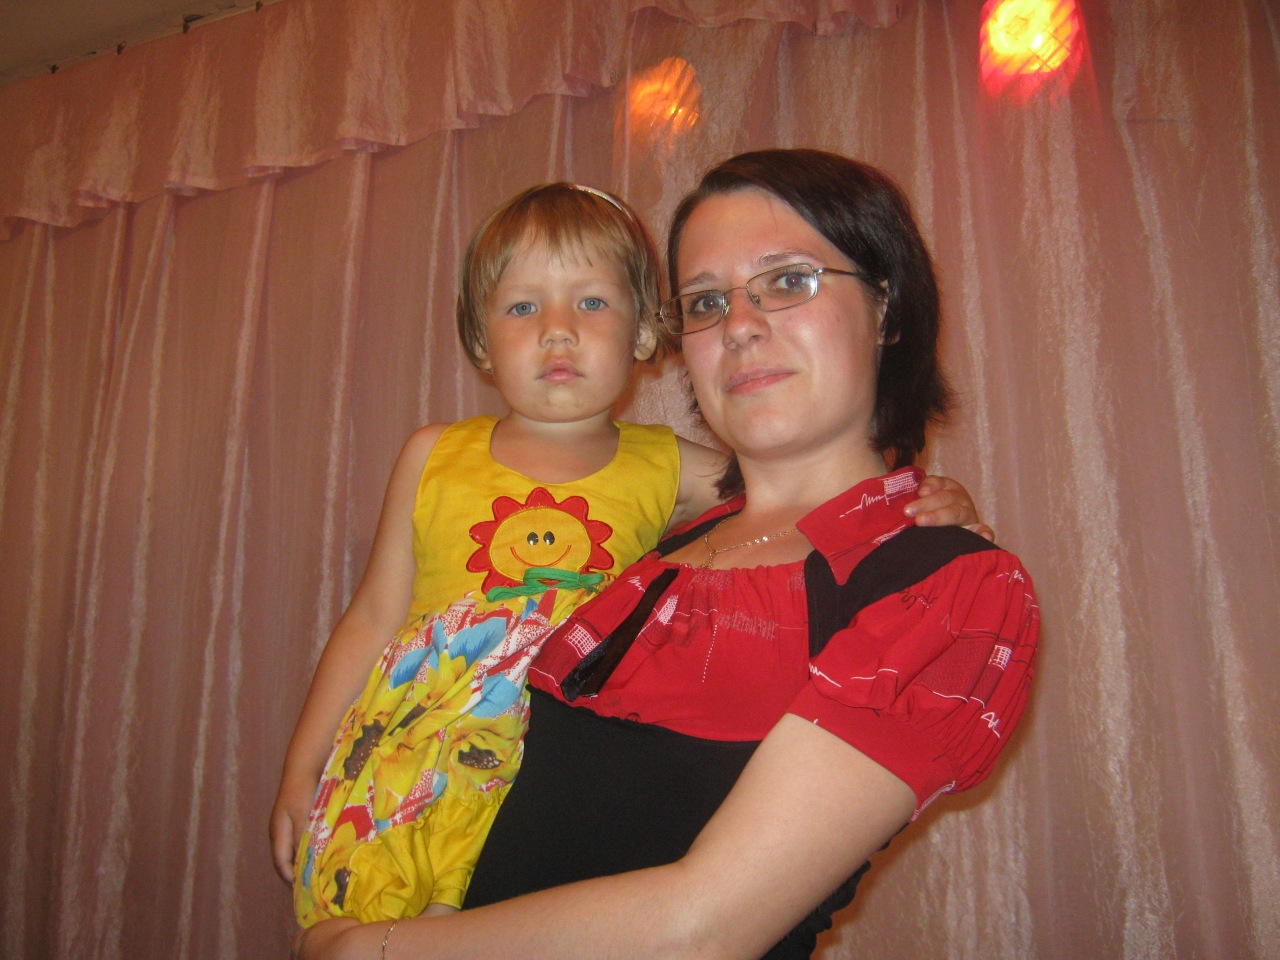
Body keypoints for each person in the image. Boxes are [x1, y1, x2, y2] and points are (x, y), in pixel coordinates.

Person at [294, 149, 1038, 960]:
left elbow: (701, 928)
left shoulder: (946, 584)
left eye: (788, 281)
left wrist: (368, 952)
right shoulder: (655, 545)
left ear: (887, 306)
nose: (740, 325)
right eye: (708, 301)